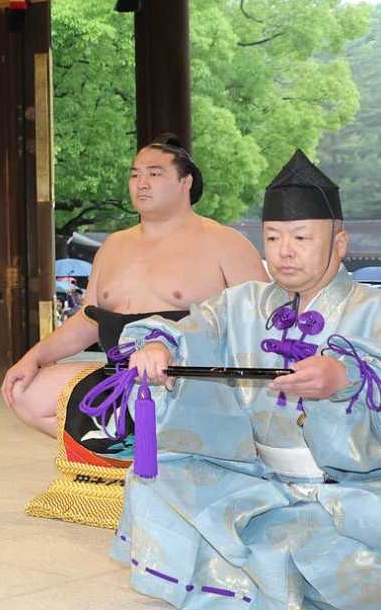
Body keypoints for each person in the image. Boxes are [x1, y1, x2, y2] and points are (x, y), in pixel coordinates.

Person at [112, 150, 380, 609]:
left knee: (322, 550)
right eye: (273, 237)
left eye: (301, 236)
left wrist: (347, 377)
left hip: (353, 486)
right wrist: (157, 347)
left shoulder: (371, 308)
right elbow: (187, 329)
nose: (285, 250)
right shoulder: (242, 302)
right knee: (155, 478)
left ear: (339, 243)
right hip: (254, 474)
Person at [4, 135, 267, 528]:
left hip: (187, 378)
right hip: (118, 373)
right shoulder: (114, 245)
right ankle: (124, 470)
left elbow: (259, 323)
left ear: (185, 182)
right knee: (23, 391)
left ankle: (184, 476)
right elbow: (89, 320)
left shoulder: (225, 243)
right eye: (135, 175)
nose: (141, 183)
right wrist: (34, 356)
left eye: (155, 173)